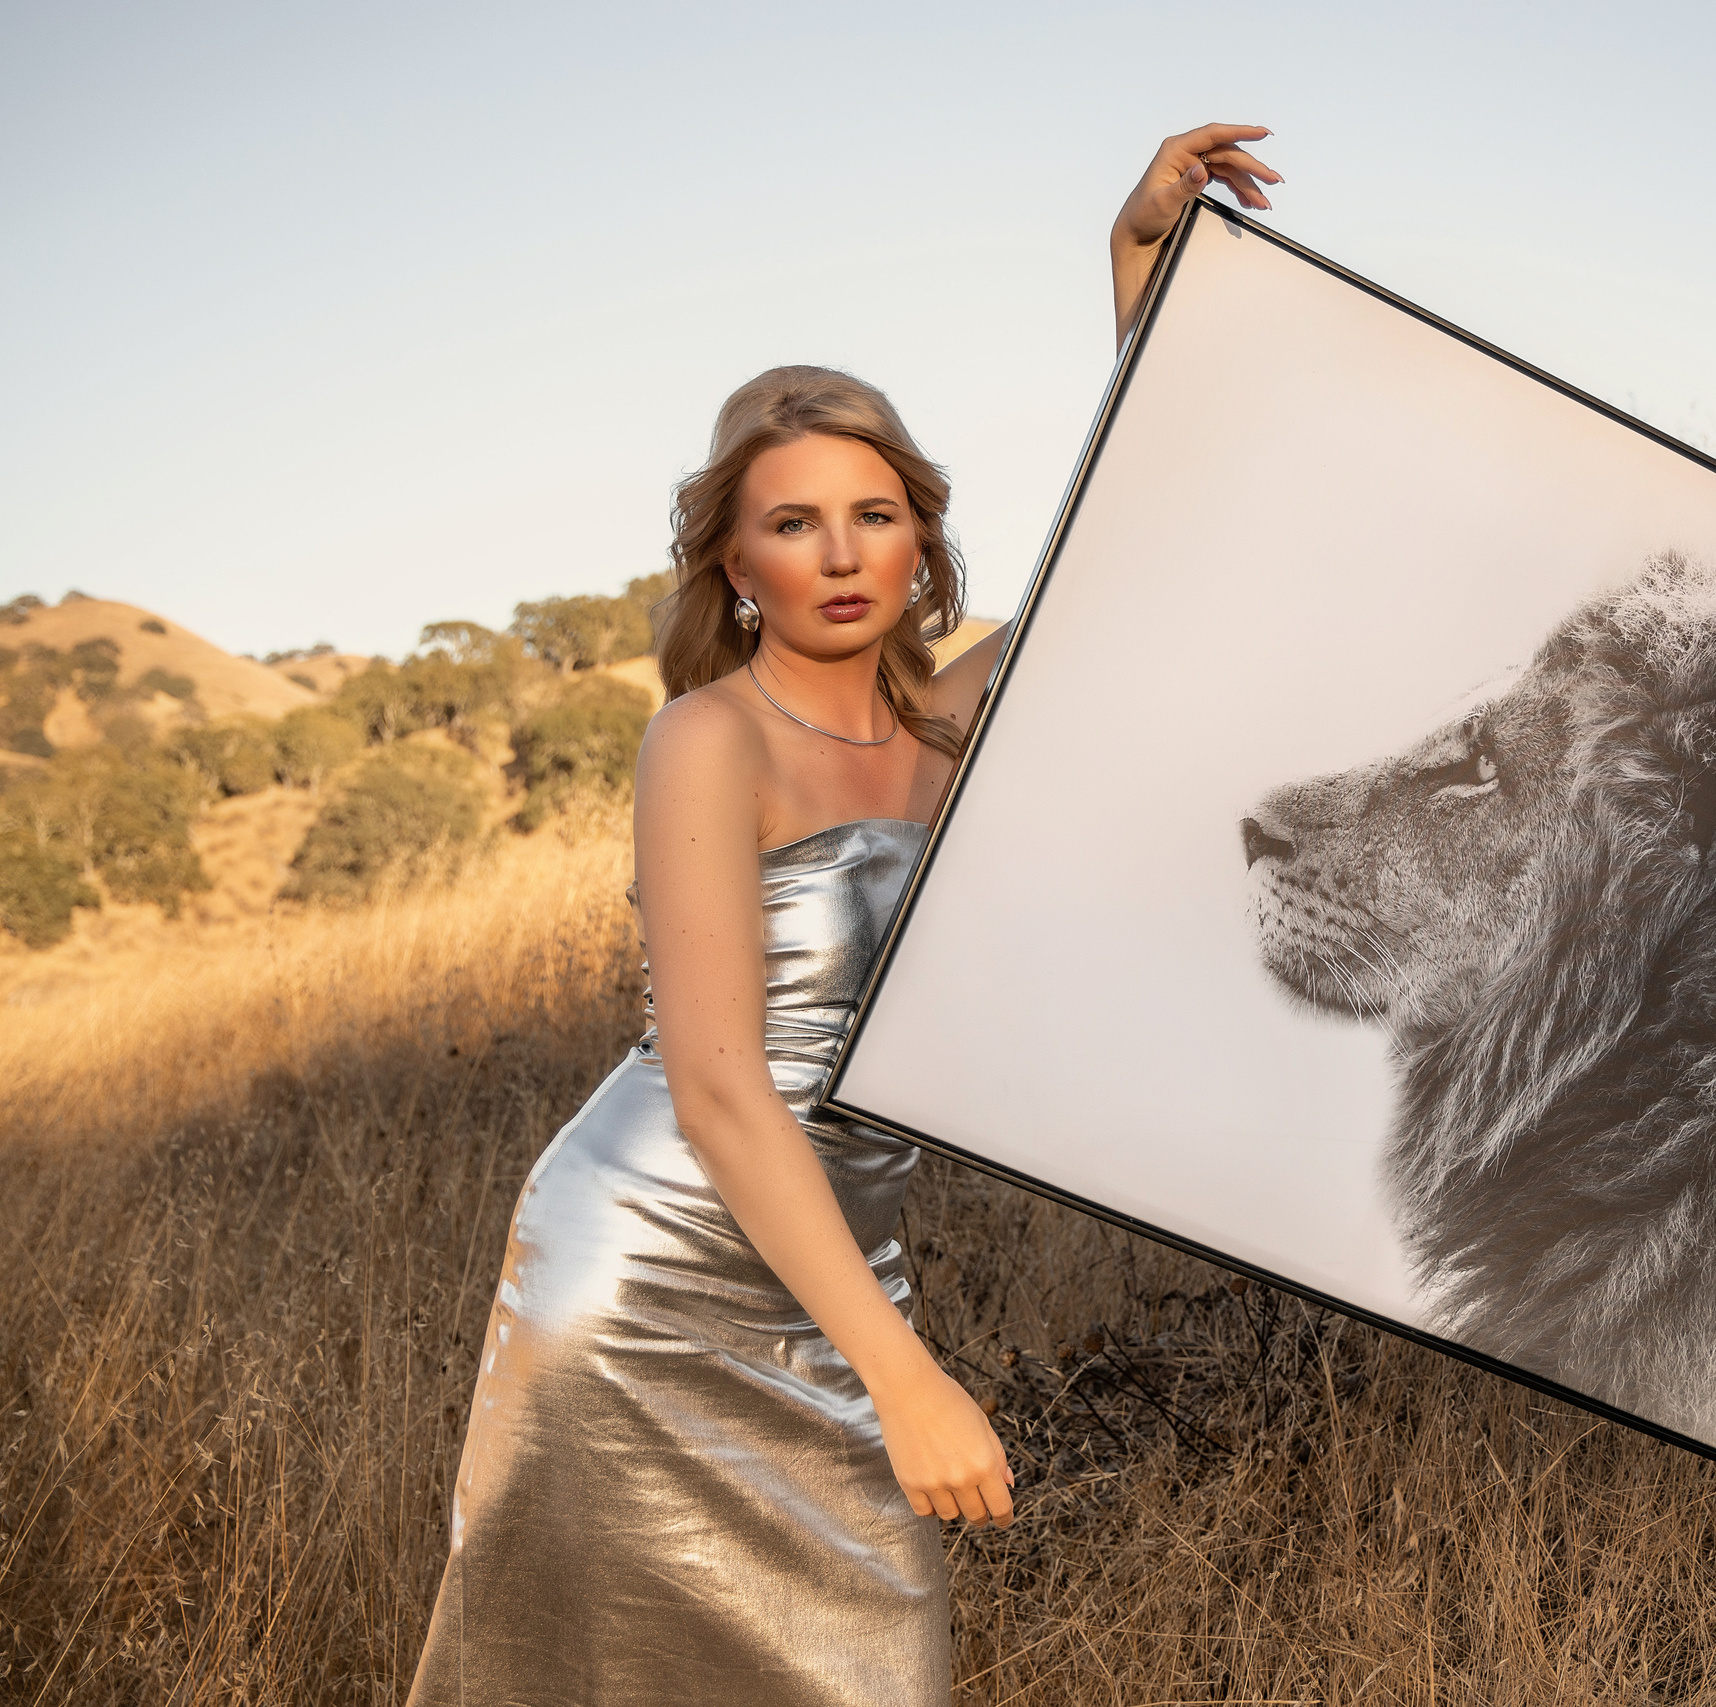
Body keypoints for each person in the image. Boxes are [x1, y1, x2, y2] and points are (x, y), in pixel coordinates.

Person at [407, 124, 1281, 1707]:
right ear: (735, 563)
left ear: (921, 534)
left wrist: (1135, 260)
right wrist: (905, 1375)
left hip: (837, 1263)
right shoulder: (708, 740)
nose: (840, 554)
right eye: (792, 523)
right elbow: (718, 1085)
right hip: (657, 1268)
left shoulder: (949, 726)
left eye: (873, 514)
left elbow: (1143, 534)